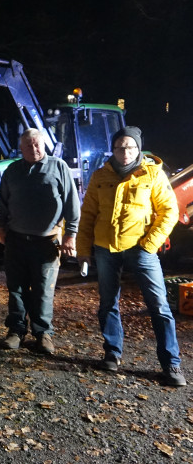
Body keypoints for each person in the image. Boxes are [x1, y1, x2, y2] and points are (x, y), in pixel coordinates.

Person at [76, 126, 185, 386]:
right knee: (107, 304)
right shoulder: (100, 176)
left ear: (138, 148)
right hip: (106, 249)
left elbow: (169, 211)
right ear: (112, 150)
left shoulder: (153, 174)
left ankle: (171, 363)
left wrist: (150, 244)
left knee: (159, 306)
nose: (125, 152)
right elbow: (88, 215)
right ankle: (112, 354)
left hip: (141, 249)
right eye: (120, 147)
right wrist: (82, 251)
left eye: (130, 147)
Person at [0, 128, 80, 355]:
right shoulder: (12, 171)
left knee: (43, 290)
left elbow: (72, 203)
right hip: (16, 240)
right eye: (29, 145)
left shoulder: (59, 167)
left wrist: (71, 234)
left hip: (47, 242)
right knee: (16, 289)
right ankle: (16, 331)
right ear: (20, 149)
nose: (34, 149)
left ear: (44, 144)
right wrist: (0, 227)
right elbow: (2, 202)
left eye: (37, 144)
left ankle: (43, 334)